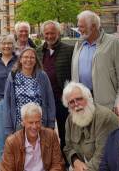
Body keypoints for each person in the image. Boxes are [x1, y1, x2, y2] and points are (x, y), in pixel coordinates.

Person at [71, 10, 119, 110]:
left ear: (93, 26)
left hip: (105, 102)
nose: (79, 30)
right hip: (82, 101)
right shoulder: (79, 43)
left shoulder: (113, 43)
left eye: (81, 26)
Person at [36, 20, 74, 158]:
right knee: (46, 132)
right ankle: (48, 159)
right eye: (46, 33)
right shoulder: (39, 51)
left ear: (58, 33)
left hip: (62, 100)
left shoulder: (69, 50)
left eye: (52, 33)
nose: (49, 36)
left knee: (65, 133)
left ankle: (65, 161)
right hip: (44, 101)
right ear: (43, 34)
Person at [62, 81, 119, 171]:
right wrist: (75, 161)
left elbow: (102, 156)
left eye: (79, 99)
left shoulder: (104, 118)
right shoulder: (70, 119)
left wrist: (84, 169)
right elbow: (68, 148)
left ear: (89, 97)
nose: (76, 104)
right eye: (71, 102)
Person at [3, 47, 56, 138]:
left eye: (32, 57)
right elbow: (7, 103)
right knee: (21, 151)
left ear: (35, 61)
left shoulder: (42, 76)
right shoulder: (13, 76)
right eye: (26, 57)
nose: (29, 60)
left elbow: (50, 100)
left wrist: (51, 124)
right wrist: (8, 128)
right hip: (20, 123)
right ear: (20, 60)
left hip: (39, 124)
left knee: (40, 151)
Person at [1, 102, 65, 171]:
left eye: (37, 122)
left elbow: (58, 164)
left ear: (41, 121)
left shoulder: (51, 135)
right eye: (30, 122)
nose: (34, 126)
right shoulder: (12, 142)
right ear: (23, 123)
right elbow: (7, 169)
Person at [0, 34, 18, 161]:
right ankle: (5, 166)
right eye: (4, 43)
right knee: (1, 139)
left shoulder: (20, 61)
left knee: (17, 138)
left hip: (17, 103)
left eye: (9, 43)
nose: (6, 46)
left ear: (13, 45)